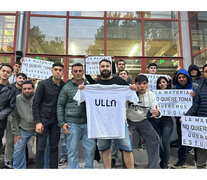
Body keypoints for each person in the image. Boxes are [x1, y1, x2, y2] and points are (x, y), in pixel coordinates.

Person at [79, 59, 137, 169]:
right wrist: (83, 89)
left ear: (111, 68)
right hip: (101, 123)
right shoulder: (95, 86)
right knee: (105, 149)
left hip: (119, 121)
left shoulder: (120, 81)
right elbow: (83, 98)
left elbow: (132, 97)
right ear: (99, 69)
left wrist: (132, 89)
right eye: (102, 66)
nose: (105, 68)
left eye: (107, 66)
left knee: (127, 148)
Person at [57, 63, 96, 169]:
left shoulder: (89, 87)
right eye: (75, 71)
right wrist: (62, 123)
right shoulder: (66, 87)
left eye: (80, 71)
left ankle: (88, 169)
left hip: (88, 123)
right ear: (72, 73)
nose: (78, 73)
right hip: (71, 123)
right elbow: (60, 105)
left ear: (83, 72)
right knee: (72, 150)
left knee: (91, 149)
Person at [32, 62, 65, 169]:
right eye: (55, 69)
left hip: (56, 121)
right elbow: (35, 104)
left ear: (62, 72)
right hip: (43, 120)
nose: (58, 72)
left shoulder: (64, 86)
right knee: (40, 148)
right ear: (52, 71)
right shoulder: (43, 84)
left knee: (54, 147)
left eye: (60, 70)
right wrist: (38, 122)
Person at [127, 74, 161, 169]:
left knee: (154, 138)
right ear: (135, 84)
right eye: (139, 84)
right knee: (125, 141)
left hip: (142, 120)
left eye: (144, 84)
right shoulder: (129, 92)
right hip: (128, 120)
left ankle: (153, 167)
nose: (142, 86)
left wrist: (157, 113)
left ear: (147, 85)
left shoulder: (151, 94)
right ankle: (128, 166)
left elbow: (155, 110)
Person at [172, 68, 198, 168]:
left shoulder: (195, 87)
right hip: (180, 119)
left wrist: (195, 96)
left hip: (193, 118)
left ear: (187, 78)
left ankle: (197, 160)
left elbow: (200, 100)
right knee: (181, 140)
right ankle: (181, 160)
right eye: (179, 77)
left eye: (183, 77)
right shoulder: (174, 89)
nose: (181, 79)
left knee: (195, 139)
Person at [184, 64, 207, 168]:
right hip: (202, 123)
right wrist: (186, 116)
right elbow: (196, 105)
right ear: (203, 74)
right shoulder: (200, 87)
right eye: (206, 71)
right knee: (202, 150)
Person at [10, 80, 35, 169]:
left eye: (29, 88)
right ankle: (18, 170)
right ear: (21, 89)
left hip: (38, 128)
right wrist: (16, 133)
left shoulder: (38, 97)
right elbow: (13, 117)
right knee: (18, 149)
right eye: (24, 89)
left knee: (45, 148)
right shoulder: (17, 99)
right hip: (23, 129)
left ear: (33, 88)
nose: (27, 91)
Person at [4, 73, 27, 169]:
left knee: (19, 142)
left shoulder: (26, 90)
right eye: (20, 78)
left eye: (23, 78)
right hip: (11, 118)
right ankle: (7, 161)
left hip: (22, 119)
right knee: (9, 141)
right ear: (16, 79)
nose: (21, 80)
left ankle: (16, 161)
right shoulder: (10, 89)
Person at [155, 76, 173, 169]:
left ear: (167, 83)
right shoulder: (154, 94)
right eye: (160, 82)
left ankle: (165, 164)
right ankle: (163, 160)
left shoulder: (173, 93)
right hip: (156, 120)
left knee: (165, 142)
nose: (162, 84)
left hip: (167, 121)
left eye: (164, 82)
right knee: (157, 141)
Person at [0, 64, 16, 157]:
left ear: (11, 74)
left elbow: (11, 106)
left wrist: (1, 115)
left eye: (8, 72)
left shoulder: (12, 90)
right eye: (3, 71)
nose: (5, 73)